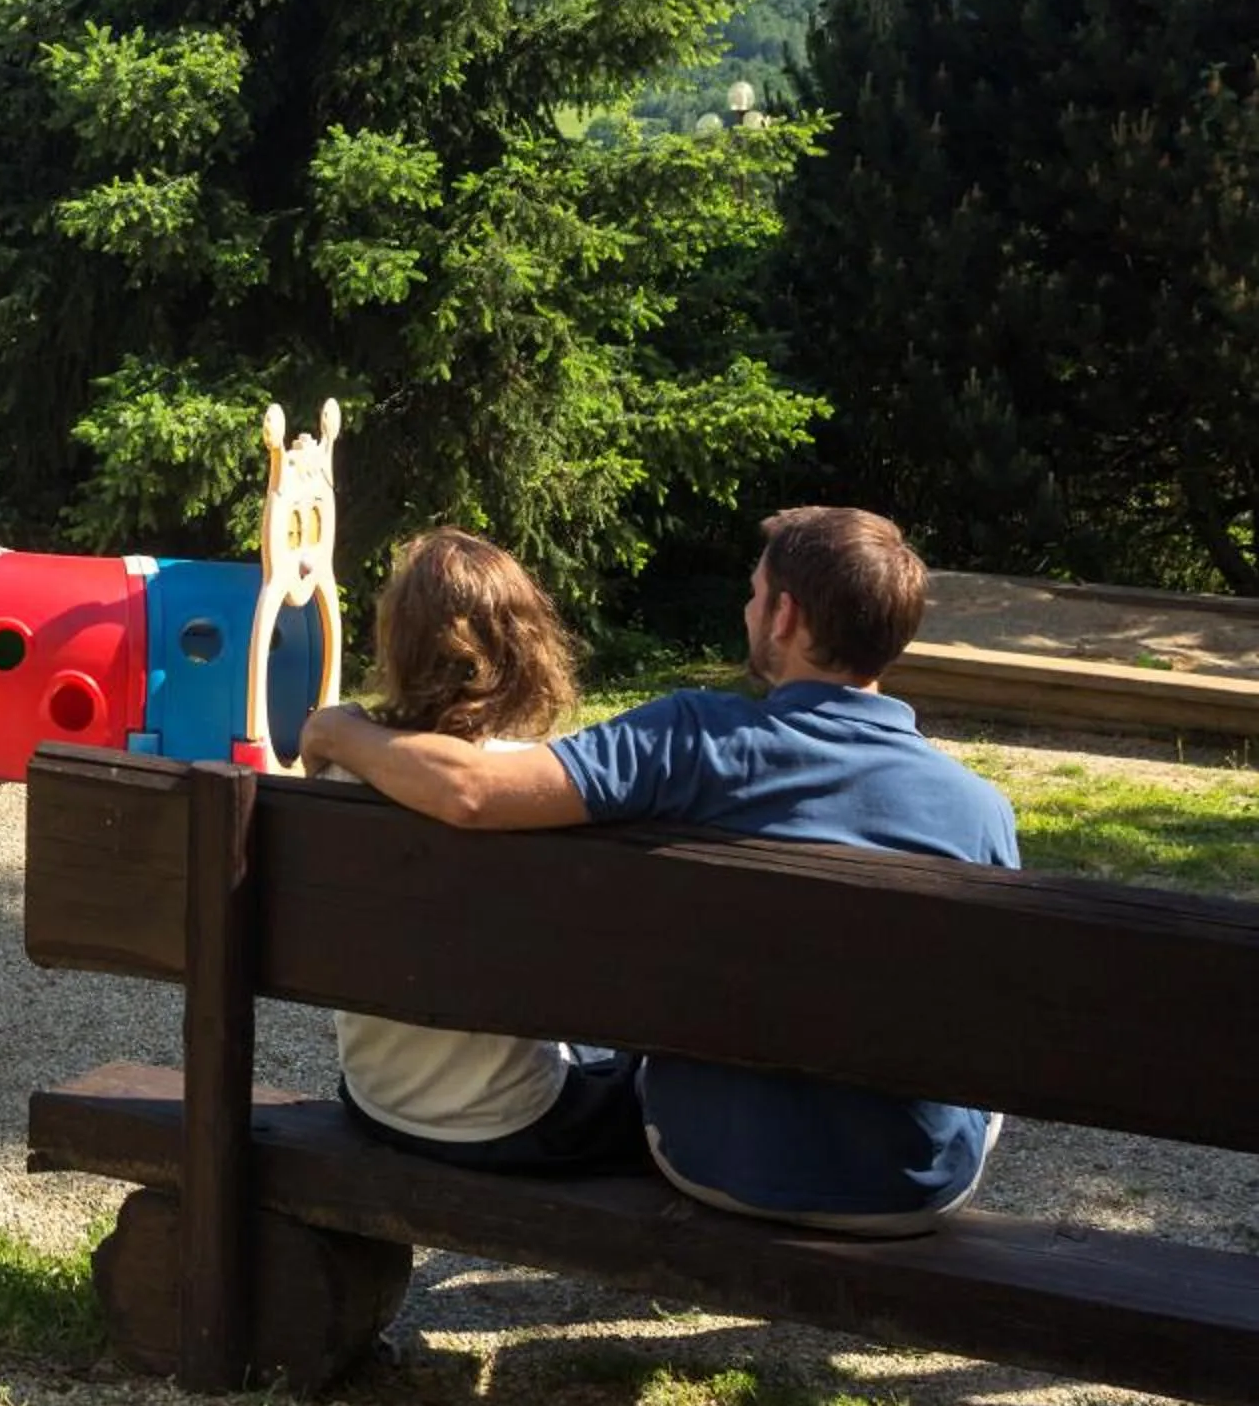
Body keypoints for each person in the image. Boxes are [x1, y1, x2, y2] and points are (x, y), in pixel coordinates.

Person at [300, 506, 1019, 1235]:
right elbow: (991, 1032)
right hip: (909, 1192)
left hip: (707, 1161)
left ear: (785, 618)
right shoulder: (981, 812)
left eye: (754, 592)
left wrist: (340, 727)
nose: (746, 609)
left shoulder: (689, 742)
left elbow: (472, 791)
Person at [324, 529, 647, 1174]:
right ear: (522, 647)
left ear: (397, 642)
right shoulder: (532, 788)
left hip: (375, 1102)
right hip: (514, 1120)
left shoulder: (341, 776)